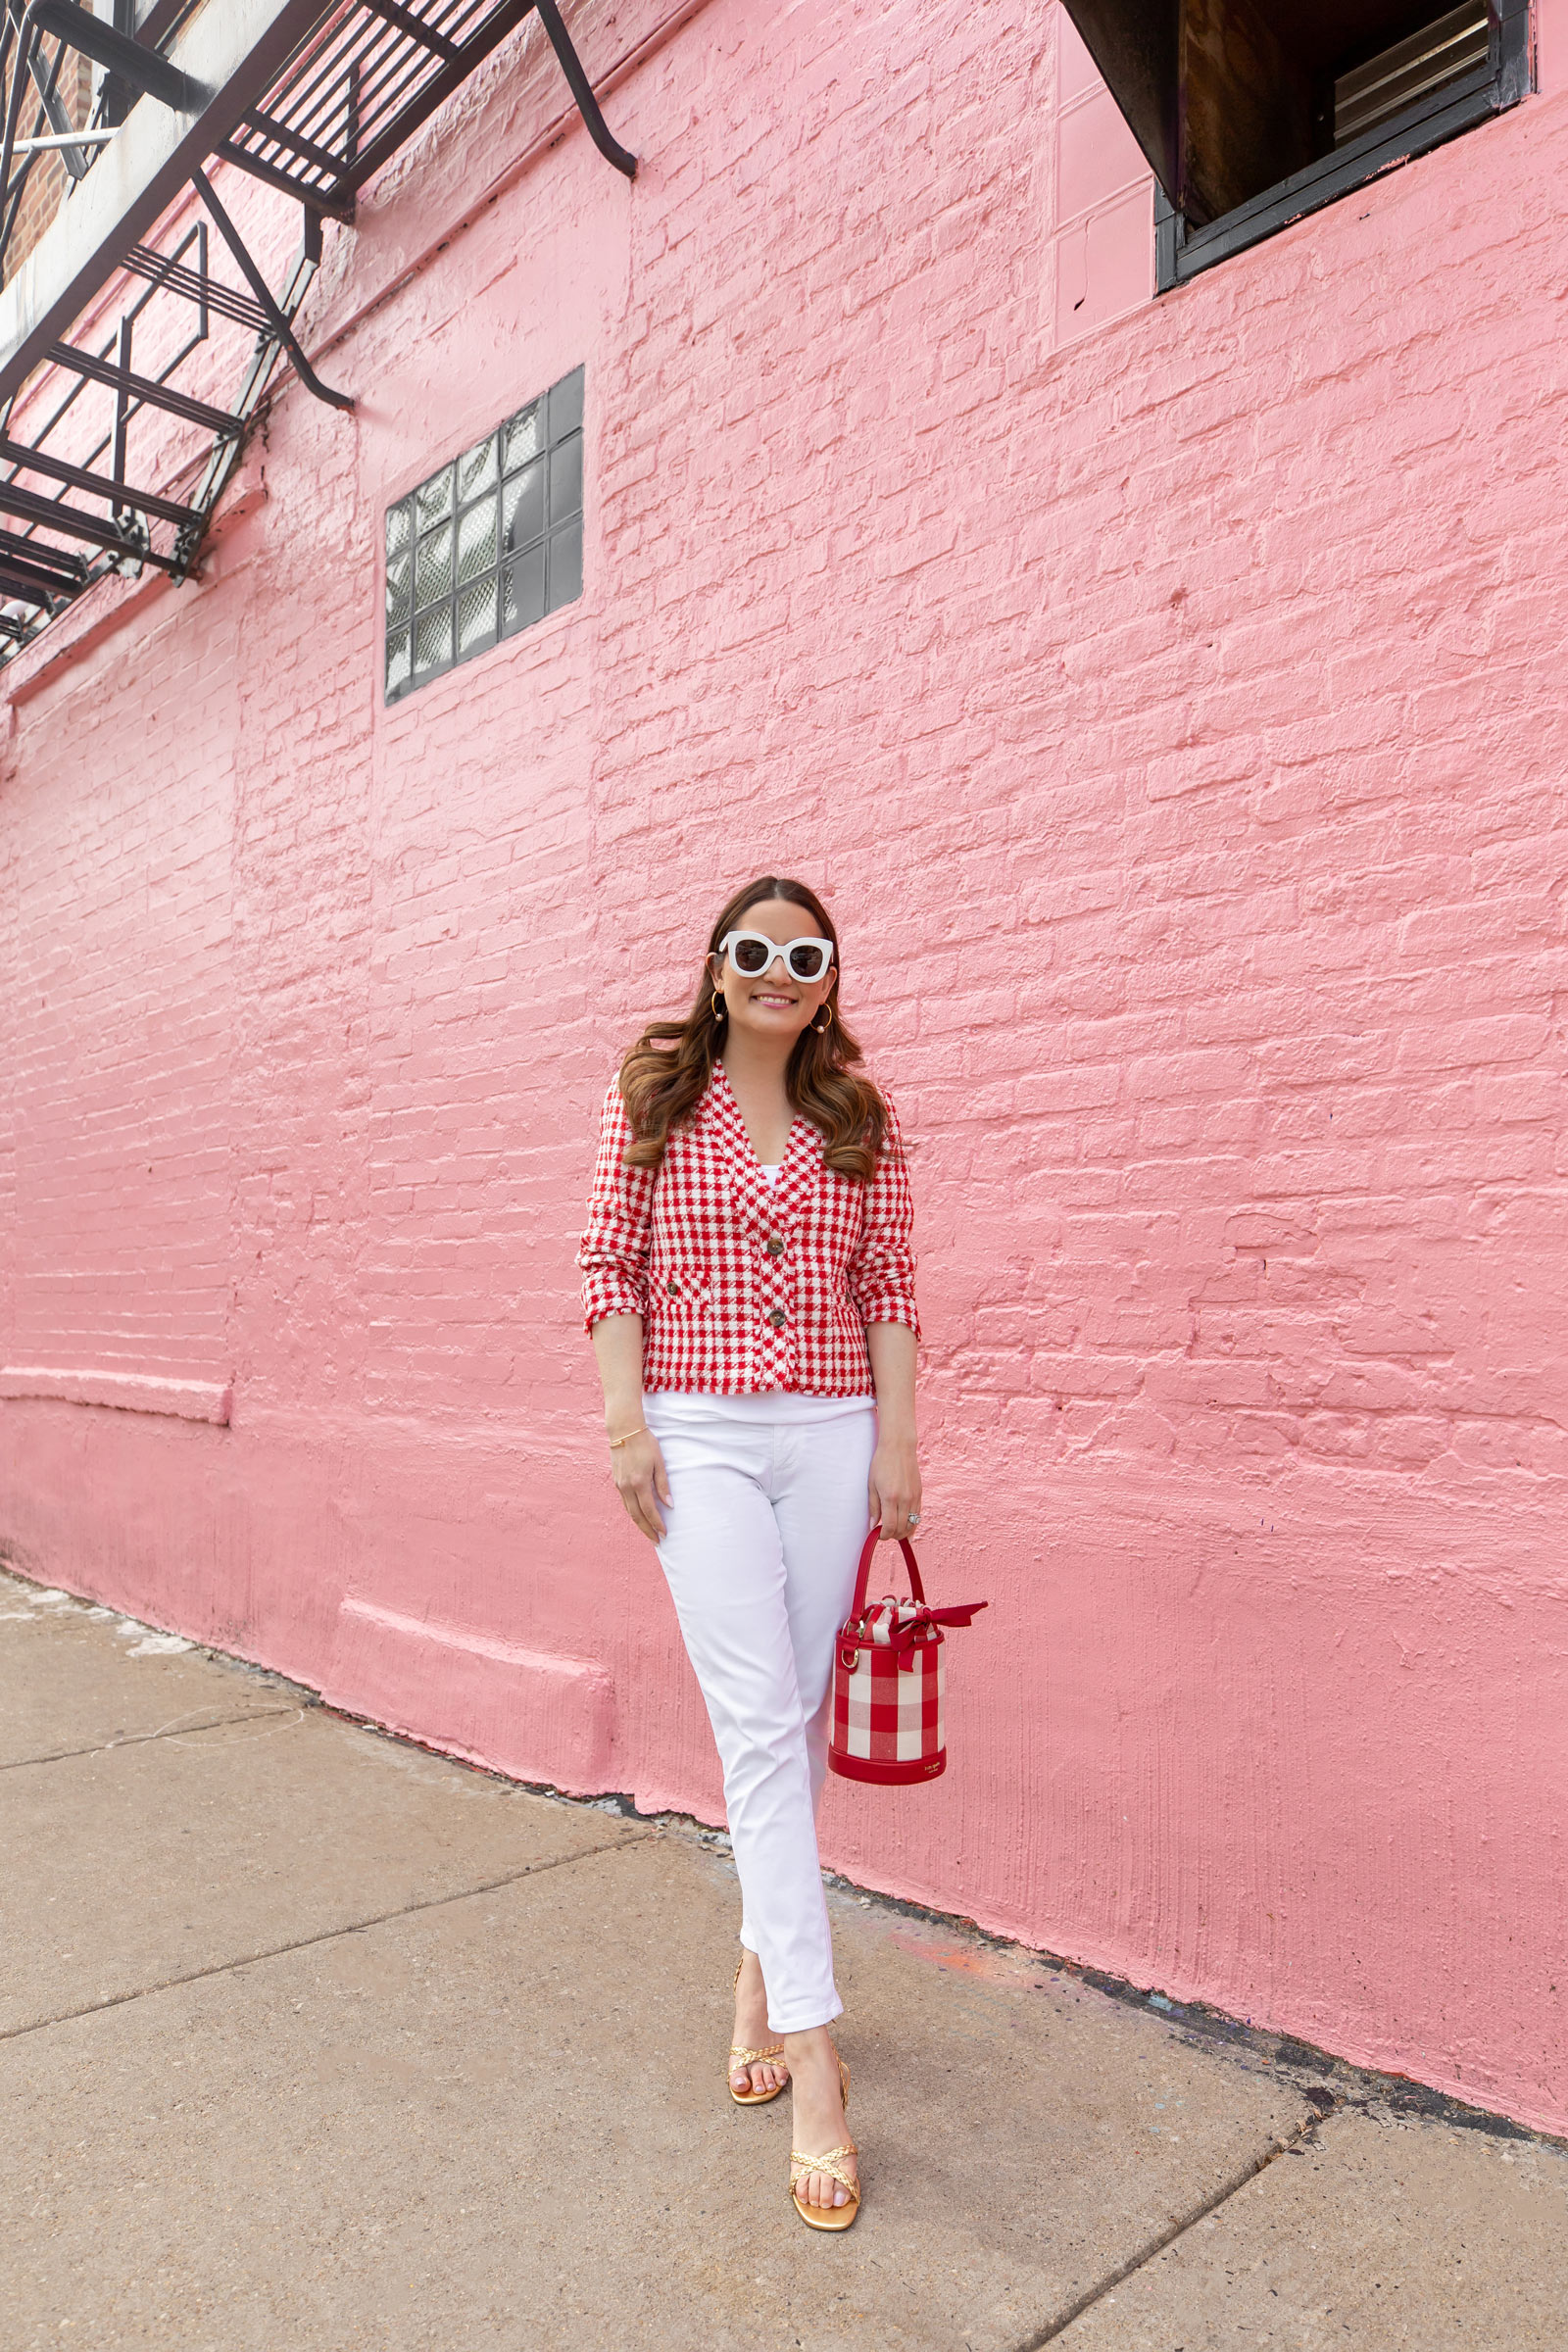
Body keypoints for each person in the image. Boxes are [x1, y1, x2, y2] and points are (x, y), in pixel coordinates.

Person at [577, 874, 921, 2231]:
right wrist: (624, 1428)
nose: (781, 972)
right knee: (758, 1729)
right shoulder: (654, 1094)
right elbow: (605, 1262)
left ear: (829, 977)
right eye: (756, 951)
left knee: (804, 1714)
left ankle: (755, 1982)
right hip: (698, 1433)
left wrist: (900, 1446)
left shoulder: (861, 1116)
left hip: (835, 1430)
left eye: (807, 955)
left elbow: (891, 1283)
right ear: (716, 967)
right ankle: (820, 2057)